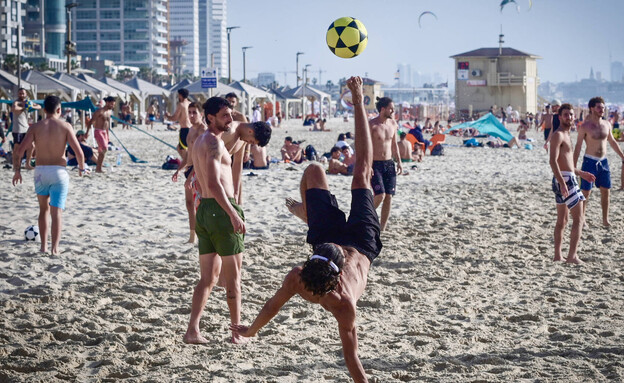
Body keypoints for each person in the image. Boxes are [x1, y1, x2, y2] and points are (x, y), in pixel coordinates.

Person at [231, 76, 381, 383]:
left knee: (317, 170)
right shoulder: (321, 290)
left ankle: (309, 216)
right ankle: (309, 214)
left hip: (338, 245)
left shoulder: (323, 291)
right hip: (362, 243)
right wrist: (251, 330)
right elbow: (273, 305)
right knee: (358, 172)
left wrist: (251, 329)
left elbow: (350, 356)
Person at [183, 96, 270, 345]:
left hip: (206, 212)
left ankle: (192, 330)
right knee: (234, 279)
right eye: (224, 115)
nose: (230, 119)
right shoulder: (212, 143)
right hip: (221, 212)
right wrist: (233, 213)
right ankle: (236, 333)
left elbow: (202, 176)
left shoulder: (204, 140)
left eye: (230, 114)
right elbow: (214, 183)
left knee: (208, 279)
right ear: (210, 117)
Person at [12, 95, 87, 255]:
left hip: (40, 172)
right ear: (59, 110)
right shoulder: (66, 126)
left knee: (43, 210)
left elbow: (19, 151)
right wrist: (81, 169)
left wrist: (17, 171)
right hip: (59, 172)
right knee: (56, 212)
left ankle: (43, 247)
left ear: (44, 110)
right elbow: (79, 153)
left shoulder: (35, 127)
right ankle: (55, 249)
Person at [549, 103, 595, 264]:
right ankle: (572, 256)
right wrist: (562, 183)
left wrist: (581, 173)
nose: (569, 117)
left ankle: (557, 256)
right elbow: (552, 161)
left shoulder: (567, 135)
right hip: (565, 181)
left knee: (563, 220)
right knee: (579, 218)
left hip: (566, 178)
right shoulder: (558, 135)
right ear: (560, 117)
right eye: (566, 115)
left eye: (571, 114)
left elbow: (566, 163)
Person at [573, 97, 624, 227]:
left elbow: (612, 141)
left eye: (603, 107)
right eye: (599, 107)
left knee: (606, 191)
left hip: (604, 162)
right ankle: (582, 218)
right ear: (592, 109)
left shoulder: (607, 124)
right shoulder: (585, 126)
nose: (602, 109)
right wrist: (573, 166)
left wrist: (622, 156)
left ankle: (605, 219)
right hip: (589, 161)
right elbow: (578, 146)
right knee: (586, 192)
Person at [171, 102, 208, 243]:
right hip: (189, 170)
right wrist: (179, 170)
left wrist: (192, 176)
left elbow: (201, 158)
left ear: (201, 114)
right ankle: (192, 237)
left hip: (199, 172)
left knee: (200, 204)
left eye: (194, 112)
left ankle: (204, 235)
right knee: (189, 204)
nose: (191, 115)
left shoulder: (203, 131)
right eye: (190, 112)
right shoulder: (190, 130)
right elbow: (188, 155)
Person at [369, 96, 402, 231]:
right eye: (391, 109)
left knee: (389, 196)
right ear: (383, 109)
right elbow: (367, 147)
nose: (393, 111)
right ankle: (365, 215)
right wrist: (368, 165)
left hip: (389, 164)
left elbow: (394, 145)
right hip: (375, 164)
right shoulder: (372, 125)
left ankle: (382, 228)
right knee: (380, 195)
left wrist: (399, 162)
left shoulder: (393, 124)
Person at [11, 88, 41, 169]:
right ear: (18, 94)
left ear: (26, 94)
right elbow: (14, 108)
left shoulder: (28, 102)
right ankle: (15, 165)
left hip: (26, 128)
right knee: (16, 148)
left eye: (23, 93)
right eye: (20, 93)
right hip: (18, 129)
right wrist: (24, 107)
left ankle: (27, 164)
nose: (21, 95)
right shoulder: (16, 102)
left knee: (32, 146)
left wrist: (31, 106)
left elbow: (39, 106)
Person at [86, 96, 116, 173]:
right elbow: (91, 122)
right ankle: (98, 167)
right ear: (107, 103)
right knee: (104, 148)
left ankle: (98, 168)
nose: (113, 106)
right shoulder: (99, 111)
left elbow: (107, 124)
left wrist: (108, 136)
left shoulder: (109, 112)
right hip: (98, 131)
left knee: (102, 151)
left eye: (114, 104)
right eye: (112, 104)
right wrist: (87, 132)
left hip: (104, 132)